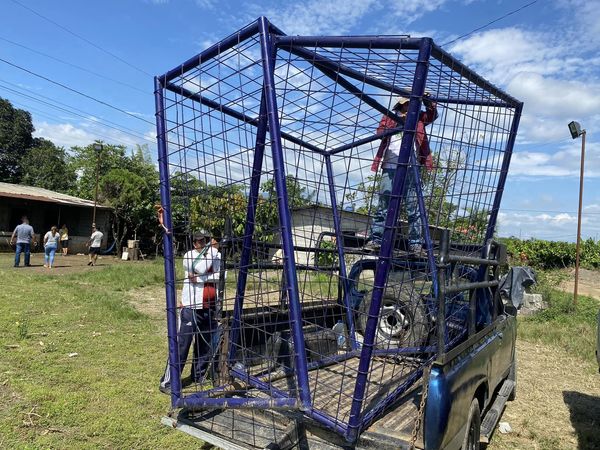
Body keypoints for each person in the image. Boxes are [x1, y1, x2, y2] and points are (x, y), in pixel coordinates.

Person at [367, 94, 437, 254]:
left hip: (411, 167)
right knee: (384, 205)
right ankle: (376, 239)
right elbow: (380, 133)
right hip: (390, 166)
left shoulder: (419, 118)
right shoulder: (389, 117)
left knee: (414, 207)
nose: (412, 106)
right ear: (402, 104)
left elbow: (432, 115)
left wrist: (428, 101)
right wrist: (399, 123)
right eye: (409, 103)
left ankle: (415, 244)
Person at [160, 230, 222, 393]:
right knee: (182, 344)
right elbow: (201, 268)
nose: (203, 244)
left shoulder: (216, 255)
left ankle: (198, 375)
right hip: (191, 306)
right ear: (194, 243)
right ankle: (168, 381)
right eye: (200, 241)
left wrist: (201, 278)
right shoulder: (190, 256)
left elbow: (220, 276)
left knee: (204, 344)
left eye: (206, 240)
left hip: (209, 306)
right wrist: (212, 251)